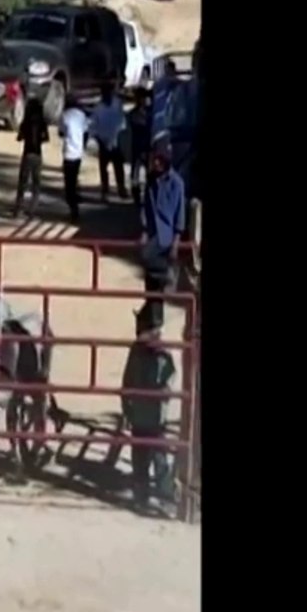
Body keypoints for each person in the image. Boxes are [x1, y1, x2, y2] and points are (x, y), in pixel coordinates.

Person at [121, 301, 177, 517]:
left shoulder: (158, 353)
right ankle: (147, 495)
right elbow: (128, 381)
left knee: (154, 456)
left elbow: (166, 383)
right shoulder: (151, 352)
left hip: (150, 415)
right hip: (145, 414)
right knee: (146, 455)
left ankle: (157, 496)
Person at [139, 146, 186, 326]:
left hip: (165, 235)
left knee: (145, 257)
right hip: (152, 233)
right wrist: (144, 230)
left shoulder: (176, 183)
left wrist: (176, 242)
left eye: (159, 160)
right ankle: (155, 320)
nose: (155, 163)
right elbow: (145, 208)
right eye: (154, 160)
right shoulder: (151, 180)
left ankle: (167, 272)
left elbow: (180, 215)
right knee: (151, 285)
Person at [89, 81, 128, 201]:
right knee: (103, 169)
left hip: (115, 142)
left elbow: (122, 123)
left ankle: (121, 188)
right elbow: (93, 128)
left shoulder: (117, 104)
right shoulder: (98, 109)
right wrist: (101, 140)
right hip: (103, 143)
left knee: (118, 167)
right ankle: (105, 191)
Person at [13, 97, 49, 217]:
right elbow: (46, 138)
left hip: (27, 153)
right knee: (36, 184)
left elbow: (19, 138)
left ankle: (18, 208)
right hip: (37, 154)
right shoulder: (42, 122)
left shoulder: (26, 122)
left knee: (22, 182)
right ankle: (32, 209)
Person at [58, 96, 88, 223]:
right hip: (78, 153)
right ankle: (75, 204)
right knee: (74, 179)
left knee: (69, 185)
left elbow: (60, 133)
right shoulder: (81, 115)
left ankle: (74, 211)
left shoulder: (64, 116)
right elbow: (86, 132)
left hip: (68, 153)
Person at [127, 88, 152, 208]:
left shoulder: (147, 113)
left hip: (145, 148)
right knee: (135, 176)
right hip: (140, 148)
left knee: (145, 174)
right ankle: (137, 197)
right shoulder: (136, 114)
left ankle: (144, 197)